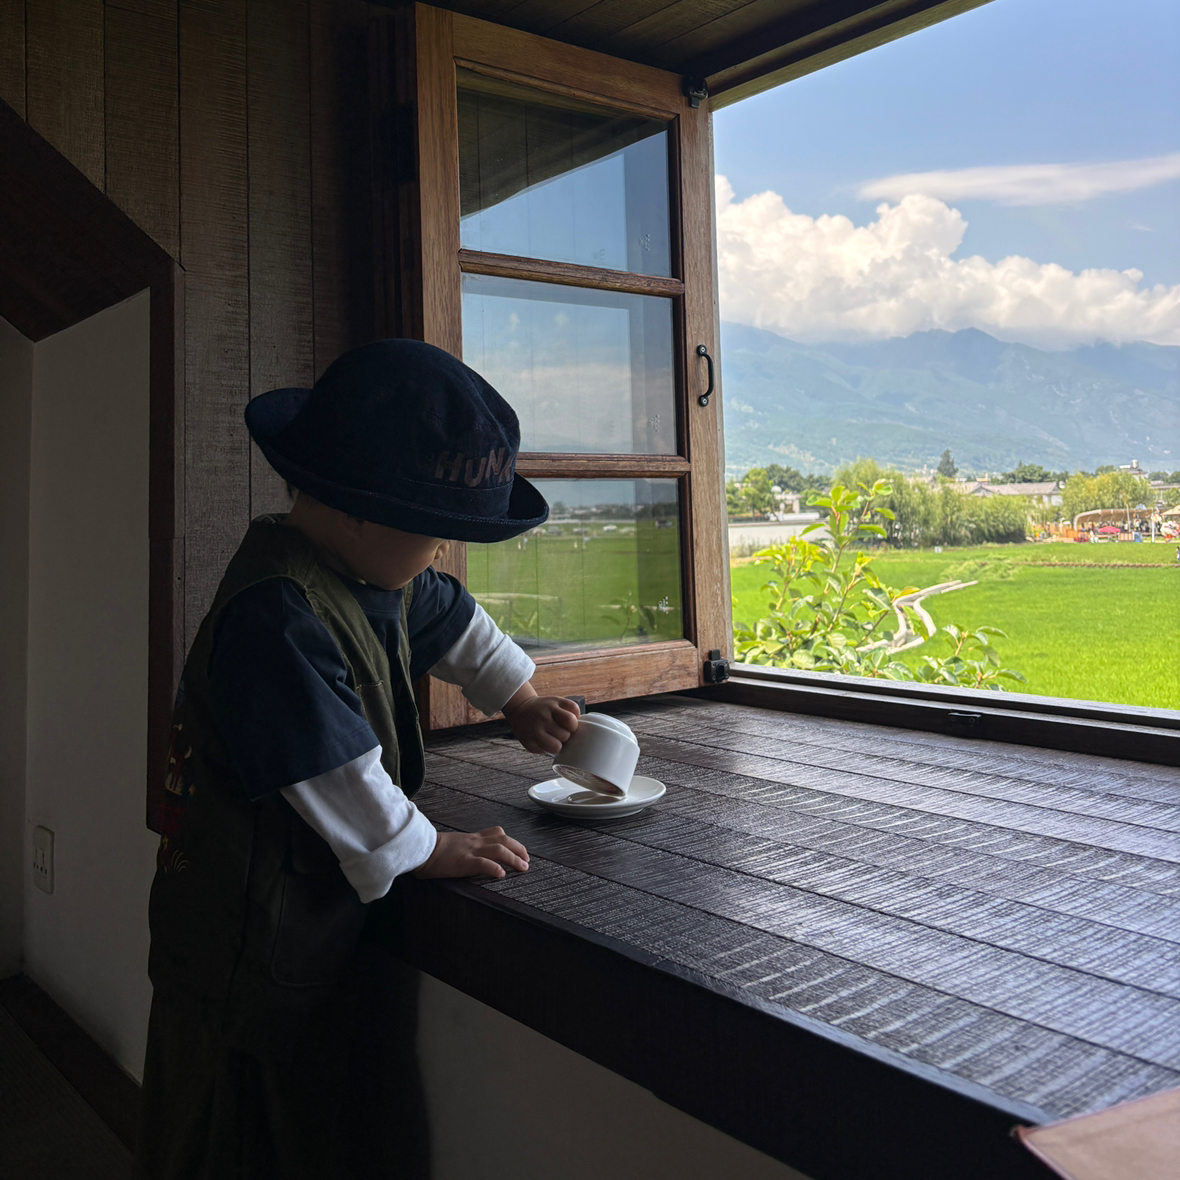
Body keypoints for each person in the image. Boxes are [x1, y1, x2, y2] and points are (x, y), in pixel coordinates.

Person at [135, 340, 581, 1180]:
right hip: (241, 944)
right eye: (435, 532)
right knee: (232, 1124)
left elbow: (455, 620)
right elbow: (330, 771)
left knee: (319, 1115)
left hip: (305, 914)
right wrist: (429, 847)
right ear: (355, 511)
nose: (441, 553)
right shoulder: (275, 613)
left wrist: (520, 698)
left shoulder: (378, 574)